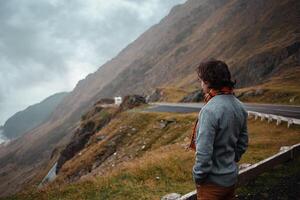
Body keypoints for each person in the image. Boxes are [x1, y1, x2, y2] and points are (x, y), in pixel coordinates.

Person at [189, 59, 249, 200]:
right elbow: (243, 142)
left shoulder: (209, 110)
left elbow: (204, 152)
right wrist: (229, 163)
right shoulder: (239, 106)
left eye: (201, 80)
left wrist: (199, 177)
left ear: (209, 81)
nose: (201, 84)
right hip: (230, 179)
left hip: (212, 185)